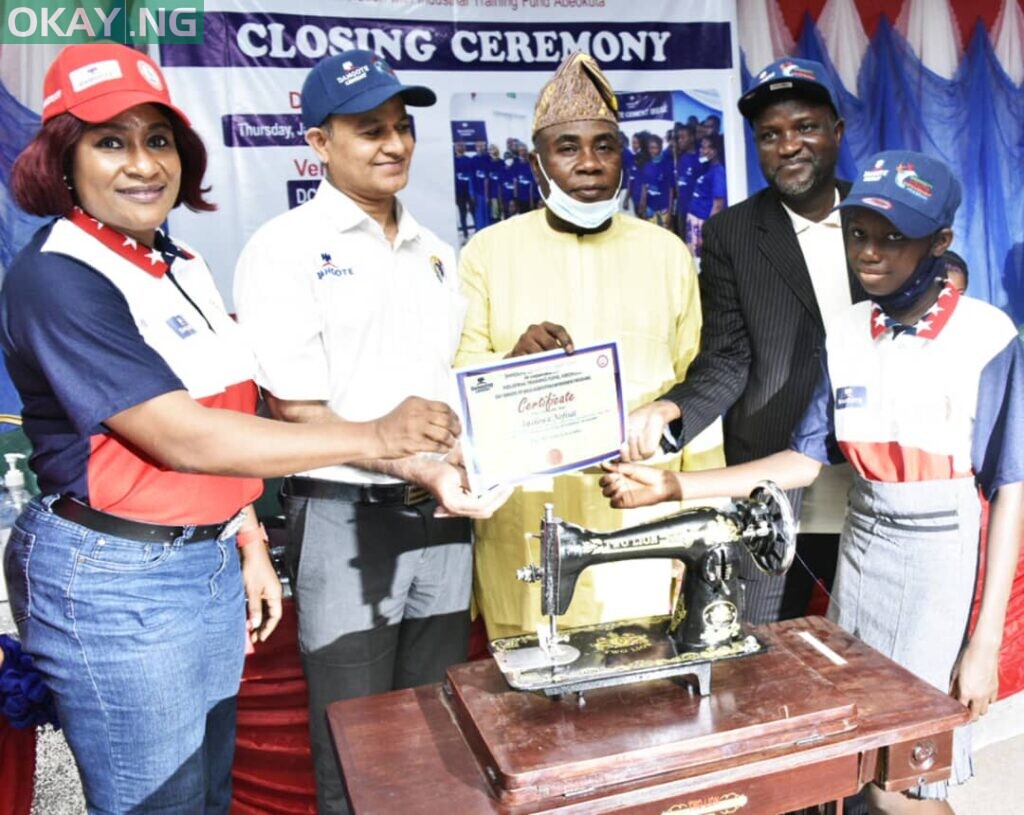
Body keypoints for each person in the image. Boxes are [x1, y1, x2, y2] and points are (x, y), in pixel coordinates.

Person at [1, 43, 458, 815]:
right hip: (120, 579)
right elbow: (185, 436)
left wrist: (242, 528)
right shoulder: (59, 274)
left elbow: (227, 404)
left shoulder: (175, 261)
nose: (143, 163)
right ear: (61, 158)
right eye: (110, 141)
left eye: (158, 139)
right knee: (161, 801)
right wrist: (379, 435)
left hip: (199, 562)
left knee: (206, 794)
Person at [603, 149, 1024, 814]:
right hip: (864, 548)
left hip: (942, 557)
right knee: (853, 759)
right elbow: (802, 459)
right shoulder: (849, 333)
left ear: (941, 242)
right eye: (859, 233)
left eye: (895, 238)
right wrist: (675, 487)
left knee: (903, 780)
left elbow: (1009, 489)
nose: (871, 254)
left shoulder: (987, 336)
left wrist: (983, 643)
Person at [232, 49, 508, 814]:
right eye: (368, 130)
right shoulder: (285, 248)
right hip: (346, 514)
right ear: (319, 143)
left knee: (433, 739)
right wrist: (412, 462)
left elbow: (447, 388)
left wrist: (507, 392)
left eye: (402, 126)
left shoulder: (436, 253)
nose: (393, 144)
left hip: (444, 522)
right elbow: (293, 411)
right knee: (355, 745)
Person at [456, 52, 717, 639]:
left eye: (604, 146)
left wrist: (698, 523)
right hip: (525, 520)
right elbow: (459, 383)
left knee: (643, 704)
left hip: (644, 521)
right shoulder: (487, 255)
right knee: (532, 709)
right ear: (537, 162)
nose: (590, 164)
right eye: (567, 147)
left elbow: (699, 392)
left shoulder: (666, 253)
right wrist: (509, 365)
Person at [622, 57, 864, 625]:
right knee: (762, 644)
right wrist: (672, 407)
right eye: (771, 135)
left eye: (804, 127)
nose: (789, 146)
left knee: (868, 651)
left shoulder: (877, 219)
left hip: (869, 475)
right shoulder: (734, 233)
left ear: (837, 132)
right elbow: (729, 359)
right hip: (770, 474)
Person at [685, 133, 727, 256]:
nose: (701, 150)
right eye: (701, 147)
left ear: (714, 151)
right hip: (694, 223)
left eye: (704, 147)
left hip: (702, 224)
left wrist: (707, 231)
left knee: (701, 260)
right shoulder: (707, 168)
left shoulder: (718, 172)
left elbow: (718, 205)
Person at [638, 133, 673, 228]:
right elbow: (644, 189)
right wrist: (643, 206)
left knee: (666, 238)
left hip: (664, 209)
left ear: (661, 147)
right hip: (650, 209)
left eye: (655, 148)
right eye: (650, 148)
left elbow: (671, 191)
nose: (653, 151)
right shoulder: (647, 166)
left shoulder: (667, 165)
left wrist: (670, 212)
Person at [673, 124, 701, 238]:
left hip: (695, 209)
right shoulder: (681, 158)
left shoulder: (700, 157)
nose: (680, 140)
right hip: (682, 207)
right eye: (678, 138)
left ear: (692, 138)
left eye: (683, 137)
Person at [453, 141, 473, 239]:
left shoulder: (469, 160)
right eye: (458, 146)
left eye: (462, 146)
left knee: (473, 211)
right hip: (459, 193)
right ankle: (465, 235)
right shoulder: (452, 161)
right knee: (462, 214)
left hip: (469, 192)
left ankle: (478, 233)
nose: (460, 147)